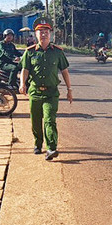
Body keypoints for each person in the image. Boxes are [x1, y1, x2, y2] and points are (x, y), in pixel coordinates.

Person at [19, 19, 72, 161]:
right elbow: (25, 69)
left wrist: (69, 89)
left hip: (51, 93)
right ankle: (38, 144)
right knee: (36, 120)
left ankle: (51, 148)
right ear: (36, 34)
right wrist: (22, 84)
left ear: (50, 34)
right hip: (35, 92)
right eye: (41, 32)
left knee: (49, 120)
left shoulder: (57, 52)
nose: (44, 34)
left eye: (46, 32)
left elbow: (65, 71)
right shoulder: (29, 53)